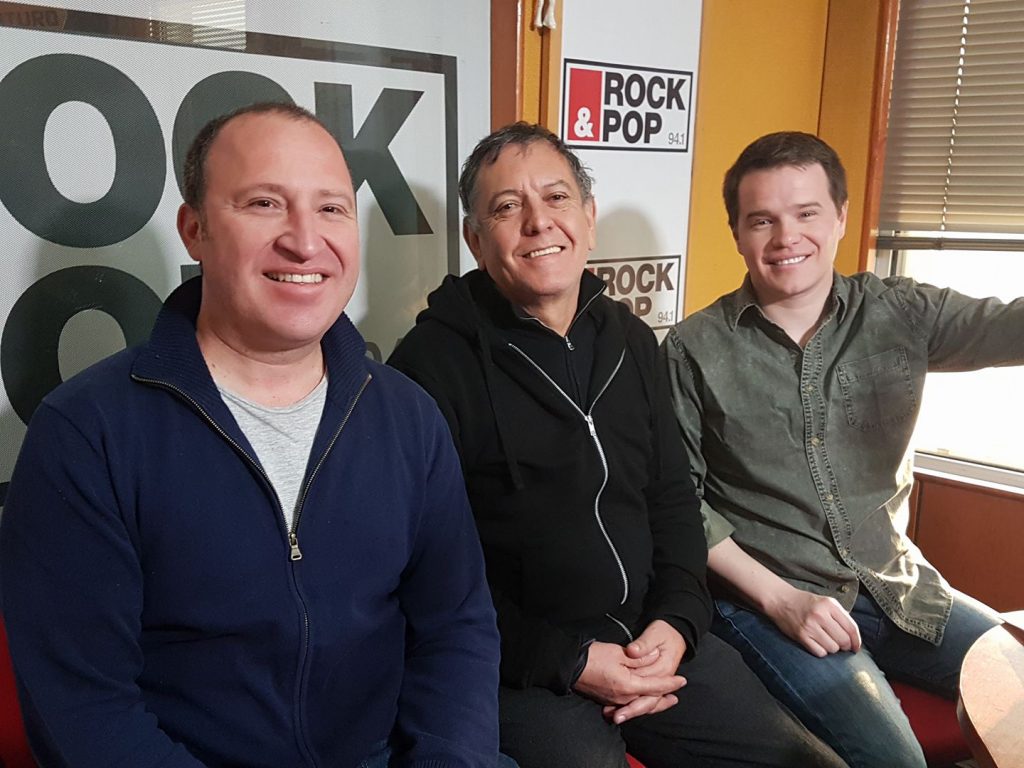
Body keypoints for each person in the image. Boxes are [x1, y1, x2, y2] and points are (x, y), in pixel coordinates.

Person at [0, 103, 502, 768]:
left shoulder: (408, 417)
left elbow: (458, 628)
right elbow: (85, 712)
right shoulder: (87, 433)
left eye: (331, 208)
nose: (305, 241)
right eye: (265, 204)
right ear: (195, 230)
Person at [388, 122, 845, 768]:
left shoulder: (629, 337)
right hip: (524, 668)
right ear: (475, 241)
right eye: (508, 207)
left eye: (557, 198)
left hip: (651, 638)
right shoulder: (430, 366)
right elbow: (430, 571)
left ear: (589, 219)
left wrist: (678, 620)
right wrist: (571, 660)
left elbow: (673, 499)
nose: (539, 222)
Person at [660, 130, 1024, 768]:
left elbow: (1009, 327)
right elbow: (677, 501)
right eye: (762, 220)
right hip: (772, 603)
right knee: (895, 760)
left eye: (806, 213)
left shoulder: (902, 311)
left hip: (900, 587)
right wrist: (782, 600)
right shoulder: (693, 349)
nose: (786, 237)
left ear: (840, 218)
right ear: (737, 232)